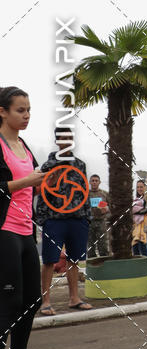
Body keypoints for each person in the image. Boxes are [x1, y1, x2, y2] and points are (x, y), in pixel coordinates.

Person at [0, 87, 49, 349]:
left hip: (25, 231)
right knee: (6, 304)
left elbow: (28, 184)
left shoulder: (23, 144)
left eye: (29, 109)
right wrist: (25, 182)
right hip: (3, 230)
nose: (26, 115)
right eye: (20, 110)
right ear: (2, 112)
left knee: (32, 300)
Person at [37, 127, 92, 313]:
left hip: (77, 219)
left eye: (70, 137)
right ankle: (45, 301)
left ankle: (74, 298)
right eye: (63, 138)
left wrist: (87, 217)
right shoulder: (48, 165)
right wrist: (42, 218)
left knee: (74, 259)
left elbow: (85, 191)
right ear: (57, 141)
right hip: (54, 219)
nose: (67, 140)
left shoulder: (80, 165)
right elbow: (42, 192)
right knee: (49, 261)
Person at [87, 174, 111, 258]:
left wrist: (107, 210)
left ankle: (105, 265)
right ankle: (92, 266)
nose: (94, 182)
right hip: (89, 222)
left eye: (96, 181)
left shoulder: (105, 194)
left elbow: (112, 208)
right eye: (92, 181)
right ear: (89, 182)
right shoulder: (86, 194)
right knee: (90, 246)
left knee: (103, 245)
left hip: (102, 222)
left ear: (99, 182)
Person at [131, 179, 147, 257]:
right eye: (138, 187)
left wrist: (135, 210)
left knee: (142, 246)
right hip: (135, 226)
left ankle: (146, 267)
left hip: (144, 226)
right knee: (135, 247)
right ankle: (136, 268)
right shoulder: (135, 199)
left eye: (141, 187)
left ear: (145, 187)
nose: (139, 189)